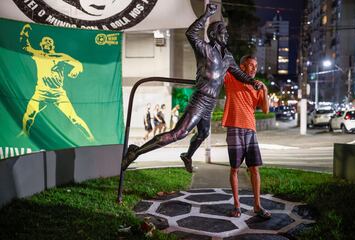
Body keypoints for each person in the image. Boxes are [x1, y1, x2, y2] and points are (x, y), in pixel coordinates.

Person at [121, 4, 257, 173]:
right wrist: (206, 14)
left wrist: (252, 82)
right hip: (200, 98)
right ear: (214, 35)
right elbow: (190, 33)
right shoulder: (204, 49)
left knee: (203, 133)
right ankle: (135, 152)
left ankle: (187, 155)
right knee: (179, 133)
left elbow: (238, 74)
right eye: (223, 31)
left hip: (211, 102)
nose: (227, 34)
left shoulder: (227, 56)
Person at [18, 24, 95, 142]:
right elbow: (24, 46)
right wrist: (25, 32)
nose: (47, 42)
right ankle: (24, 133)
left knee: (74, 118)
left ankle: (91, 138)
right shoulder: (38, 55)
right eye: (45, 41)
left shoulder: (61, 56)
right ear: (41, 44)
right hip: (41, 93)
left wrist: (75, 71)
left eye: (49, 41)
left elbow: (78, 64)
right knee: (29, 115)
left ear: (53, 45)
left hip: (58, 95)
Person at [222, 55, 271, 219]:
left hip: (250, 129)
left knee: (254, 169)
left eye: (256, 66)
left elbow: (265, 110)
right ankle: (237, 206)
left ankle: (257, 206)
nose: (254, 69)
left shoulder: (255, 87)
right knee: (234, 168)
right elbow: (224, 67)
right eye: (251, 65)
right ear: (242, 67)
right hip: (234, 127)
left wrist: (265, 90)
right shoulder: (231, 78)